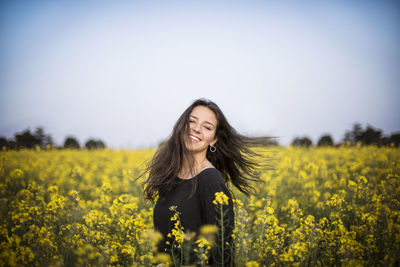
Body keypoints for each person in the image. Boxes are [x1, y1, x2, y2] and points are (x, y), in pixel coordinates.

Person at [142, 98, 274, 266]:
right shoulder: (170, 176)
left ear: (213, 140)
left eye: (207, 127)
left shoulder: (211, 180)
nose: (196, 129)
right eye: (192, 121)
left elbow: (223, 254)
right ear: (182, 125)